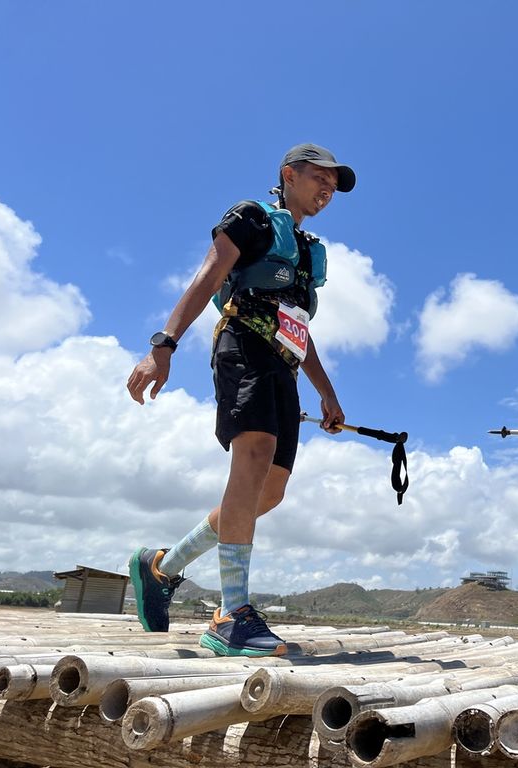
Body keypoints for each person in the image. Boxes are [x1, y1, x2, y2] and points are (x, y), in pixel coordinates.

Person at [125, 143, 355, 657]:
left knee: (267, 493)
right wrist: (163, 345)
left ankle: (161, 566)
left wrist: (327, 393)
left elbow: (298, 328)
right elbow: (210, 271)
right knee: (250, 459)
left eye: (334, 186)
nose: (327, 189)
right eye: (320, 177)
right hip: (242, 346)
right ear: (288, 174)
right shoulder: (252, 218)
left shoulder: (306, 249)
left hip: (284, 366)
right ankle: (232, 614)